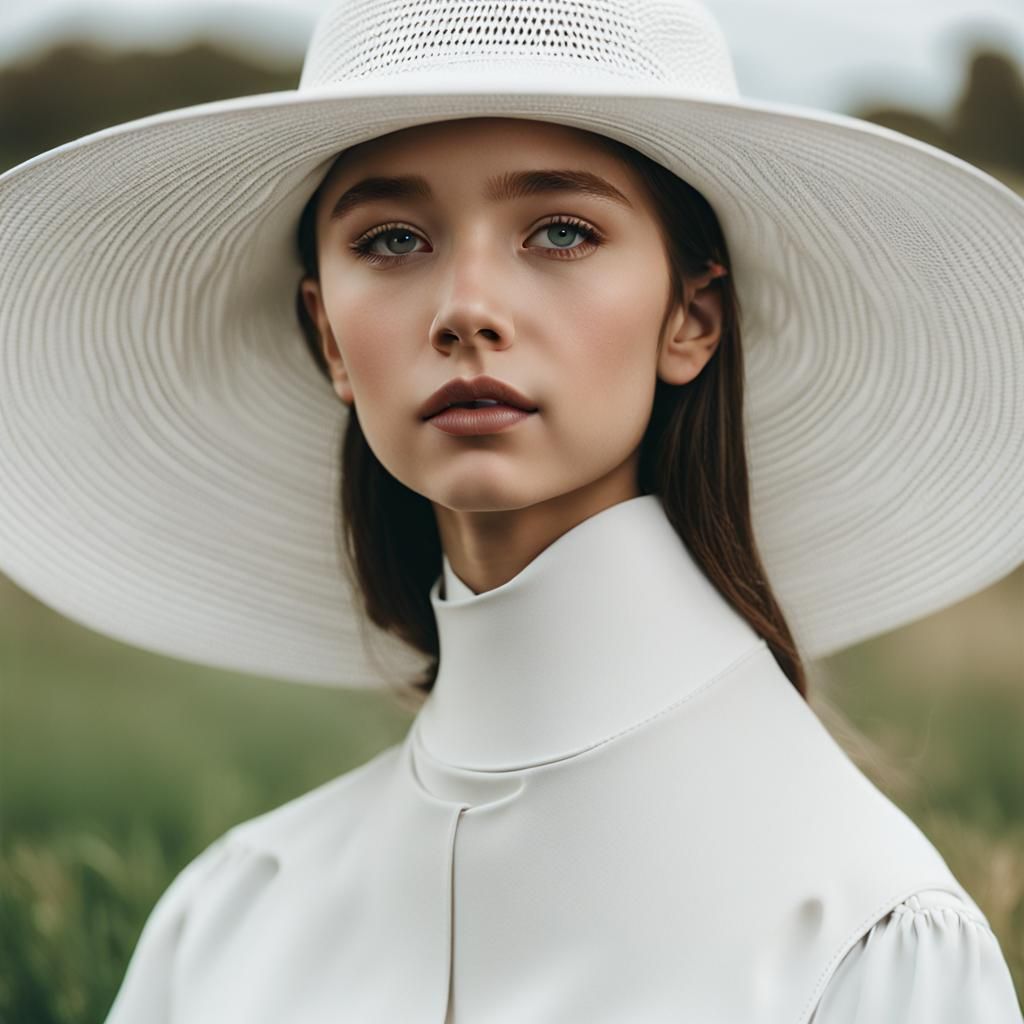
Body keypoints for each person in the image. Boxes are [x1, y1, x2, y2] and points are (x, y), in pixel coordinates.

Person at [0, 0, 1021, 1021]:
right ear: (325, 333)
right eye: (393, 238)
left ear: (692, 315)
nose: (465, 308)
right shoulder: (231, 918)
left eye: (562, 230)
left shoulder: (869, 932)